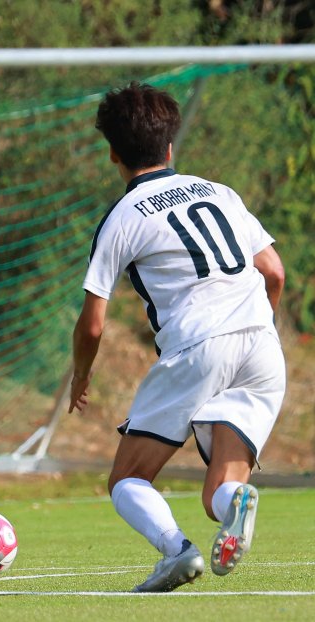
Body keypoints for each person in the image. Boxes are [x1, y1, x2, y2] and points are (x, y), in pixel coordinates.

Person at [68, 82, 286, 593]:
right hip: (261, 343)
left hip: (198, 346)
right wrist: (255, 331)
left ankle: (178, 552)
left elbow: (93, 322)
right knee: (223, 487)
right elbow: (273, 271)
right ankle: (238, 503)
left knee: (127, 479)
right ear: (170, 147)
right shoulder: (220, 192)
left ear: (114, 155)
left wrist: (82, 374)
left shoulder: (123, 216)